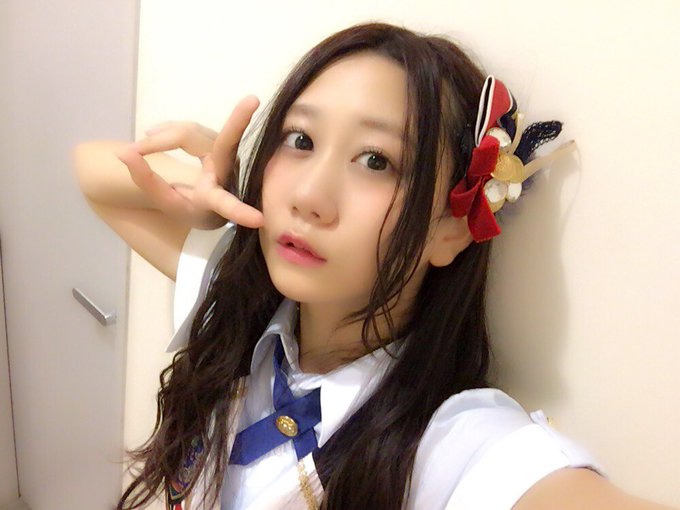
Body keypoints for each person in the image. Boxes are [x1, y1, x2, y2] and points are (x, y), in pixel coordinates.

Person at [73, 22, 675, 510]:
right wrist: (225, 188)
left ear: (451, 227)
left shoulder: (454, 447)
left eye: (376, 161)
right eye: (301, 140)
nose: (308, 195)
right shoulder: (239, 299)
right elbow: (93, 170)